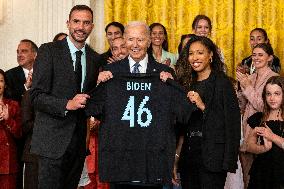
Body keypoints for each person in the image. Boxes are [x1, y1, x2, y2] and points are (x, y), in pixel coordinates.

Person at [95, 21, 177, 189]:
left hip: (152, 163)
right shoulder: (110, 72)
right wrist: (97, 84)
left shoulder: (165, 73)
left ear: (149, 41)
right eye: (131, 39)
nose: (135, 45)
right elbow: (95, 109)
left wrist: (172, 86)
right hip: (120, 162)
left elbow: (176, 114)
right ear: (124, 40)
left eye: (140, 40)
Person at [30, 5, 101, 189]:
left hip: (78, 146)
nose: (81, 27)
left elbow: (91, 98)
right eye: (76, 21)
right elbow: (36, 96)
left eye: (86, 23)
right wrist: (67, 104)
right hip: (51, 144)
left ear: (92, 27)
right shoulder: (49, 51)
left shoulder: (94, 58)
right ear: (68, 23)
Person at [174, 36, 240, 189]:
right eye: (191, 53)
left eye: (200, 53)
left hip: (213, 159)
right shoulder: (186, 83)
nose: (194, 58)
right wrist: (176, 159)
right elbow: (182, 128)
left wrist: (203, 106)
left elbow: (232, 124)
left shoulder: (223, 83)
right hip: (189, 158)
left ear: (210, 55)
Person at [236, 43, 279, 188]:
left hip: (265, 131)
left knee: (263, 177)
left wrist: (247, 87)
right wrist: (240, 88)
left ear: (269, 58)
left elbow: (264, 107)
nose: (256, 58)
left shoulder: (274, 79)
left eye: (260, 55)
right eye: (254, 55)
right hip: (246, 130)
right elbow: (242, 106)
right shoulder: (251, 77)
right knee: (247, 178)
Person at [5, 39, 37, 189]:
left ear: (35, 54)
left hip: (36, 137)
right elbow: (12, 105)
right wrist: (26, 87)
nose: (19, 54)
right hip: (16, 136)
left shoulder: (43, 74)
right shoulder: (9, 76)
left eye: (24, 51)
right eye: (18, 51)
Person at [246, 76, 284, 189]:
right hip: (262, 173)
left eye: (277, 93)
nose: (272, 98)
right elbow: (249, 146)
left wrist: (271, 136)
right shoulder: (259, 118)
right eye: (268, 94)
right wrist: (263, 148)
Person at [0, 69, 22, 189]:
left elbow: (19, 133)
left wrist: (8, 119)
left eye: (1, 81)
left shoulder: (13, 105)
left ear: (5, 84)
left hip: (8, 163)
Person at [21, 71, 39, 189]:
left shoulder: (55, 95)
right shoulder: (29, 95)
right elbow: (26, 125)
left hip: (53, 156)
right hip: (33, 155)